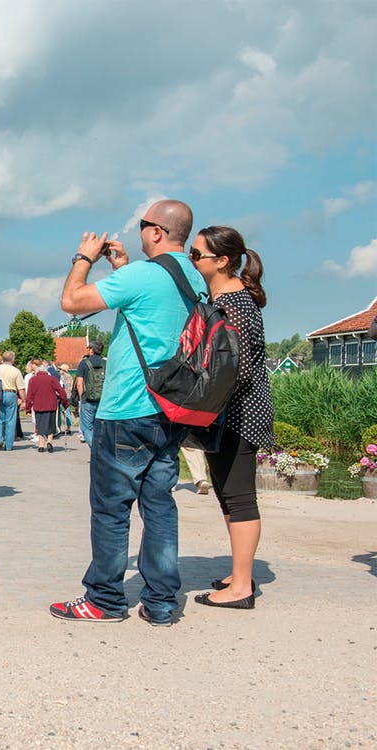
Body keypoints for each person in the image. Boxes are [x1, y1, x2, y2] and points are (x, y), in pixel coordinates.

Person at [50, 199, 206, 627]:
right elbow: (151, 315)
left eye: (143, 225)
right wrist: (121, 267)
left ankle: (103, 599)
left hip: (126, 409)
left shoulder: (144, 274)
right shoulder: (195, 279)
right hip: (170, 408)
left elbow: (71, 301)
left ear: (156, 232)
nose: (139, 232)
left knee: (111, 508)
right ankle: (160, 604)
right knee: (159, 505)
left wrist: (84, 256)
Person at [188, 226, 274, 610]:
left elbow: (230, 367)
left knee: (239, 499)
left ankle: (241, 586)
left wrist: (194, 395)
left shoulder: (234, 304)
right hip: (230, 411)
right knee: (227, 494)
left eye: (197, 255)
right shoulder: (228, 297)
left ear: (221, 261)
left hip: (238, 412)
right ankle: (240, 572)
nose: (192, 260)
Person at [25, 364, 67, 453]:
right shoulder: (52, 379)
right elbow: (61, 391)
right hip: (51, 405)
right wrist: (65, 403)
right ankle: (49, 441)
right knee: (51, 424)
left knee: (40, 425)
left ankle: (41, 444)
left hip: (38, 406)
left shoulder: (33, 380)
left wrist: (28, 408)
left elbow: (29, 396)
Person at [0, 351, 25, 451]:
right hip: (11, 394)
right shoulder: (16, 371)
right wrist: (24, 400)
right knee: (10, 420)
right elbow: (21, 389)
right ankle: (9, 445)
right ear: (12, 359)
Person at [74, 340, 105, 445]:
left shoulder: (84, 363)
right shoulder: (106, 363)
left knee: (86, 428)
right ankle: (102, 448)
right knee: (101, 427)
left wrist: (81, 396)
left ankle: (96, 450)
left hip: (87, 400)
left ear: (91, 350)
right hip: (103, 400)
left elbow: (79, 382)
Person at [57, 363, 75, 436]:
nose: (59, 371)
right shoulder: (70, 377)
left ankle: (60, 427)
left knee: (61, 413)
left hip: (63, 396)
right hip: (69, 396)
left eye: (60, 369)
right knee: (67, 412)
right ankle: (68, 427)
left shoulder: (63, 377)